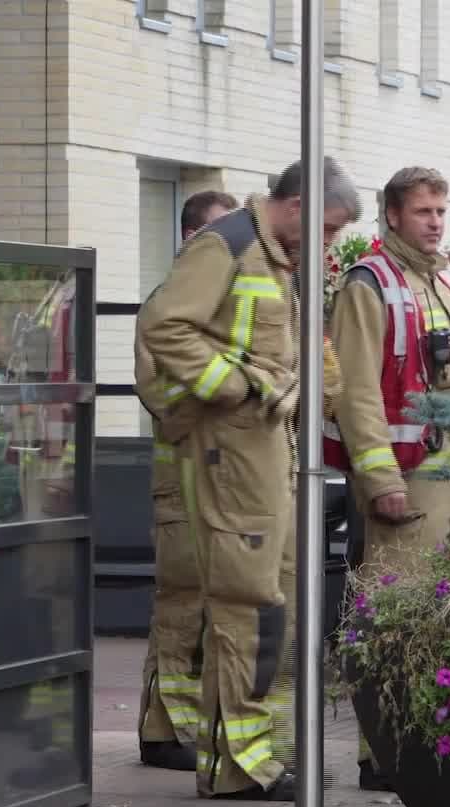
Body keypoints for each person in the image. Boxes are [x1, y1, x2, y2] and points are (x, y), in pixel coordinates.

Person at [134, 157, 361, 800]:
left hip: (269, 452)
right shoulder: (226, 246)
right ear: (297, 205)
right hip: (231, 456)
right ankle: (236, 766)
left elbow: (293, 350)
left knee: (275, 603)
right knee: (245, 603)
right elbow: (162, 327)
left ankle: (260, 753)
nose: (330, 242)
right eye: (328, 227)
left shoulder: (278, 258)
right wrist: (231, 387)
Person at [328, 166, 450, 793]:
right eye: (423, 211)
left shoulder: (441, 280)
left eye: (441, 211)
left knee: (443, 614)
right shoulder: (370, 284)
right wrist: (380, 479)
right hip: (409, 480)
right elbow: (356, 392)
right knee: (394, 612)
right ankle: (384, 750)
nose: (436, 222)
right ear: (392, 216)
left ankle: (428, 737)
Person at [137, 186, 247, 771]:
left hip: (226, 476)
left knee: (213, 607)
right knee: (182, 603)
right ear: (192, 237)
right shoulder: (169, 303)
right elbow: (160, 392)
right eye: (220, 233)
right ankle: (164, 730)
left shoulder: (222, 302)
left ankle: (191, 726)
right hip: (181, 475)